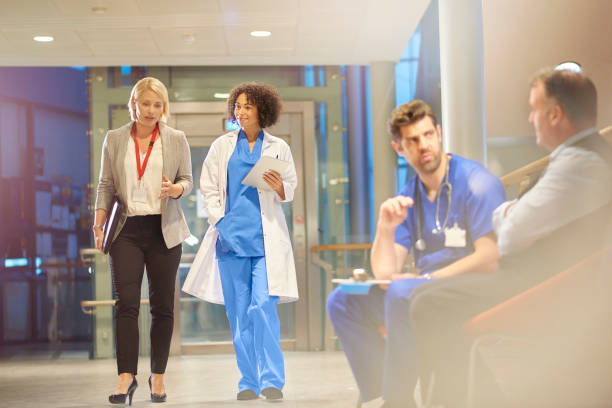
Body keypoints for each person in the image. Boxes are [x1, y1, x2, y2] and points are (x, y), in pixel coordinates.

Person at [408, 68, 612, 407]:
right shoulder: (582, 158)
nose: (530, 118)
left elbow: (511, 235)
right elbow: (515, 219)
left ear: (555, 113)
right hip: (545, 277)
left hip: (543, 285)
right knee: (428, 298)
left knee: (429, 304)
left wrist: (507, 213)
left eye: (534, 109)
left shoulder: (581, 162)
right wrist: (512, 212)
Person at [327, 99, 506, 407]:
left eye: (428, 135)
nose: (424, 145)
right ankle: (383, 393)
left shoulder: (476, 182)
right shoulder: (408, 196)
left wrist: (426, 278)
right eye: (412, 140)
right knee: (343, 302)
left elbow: (489, 258)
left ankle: (394, 402)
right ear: (400, 148)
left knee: (401, 292)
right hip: (416, 292)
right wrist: (385, 227)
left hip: (467, 290)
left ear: (438, 133)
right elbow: (385, 272)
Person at [182, 82, 298, 401]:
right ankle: (248, 381)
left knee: (262, 307)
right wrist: (220, 221)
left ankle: (272, 378)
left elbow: (291, 189)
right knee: (240, 315)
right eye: (238, 106)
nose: (241, 111)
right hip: (230, 239)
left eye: (248, 106)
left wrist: (280, 188)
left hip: (265, 242)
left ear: (262, 110)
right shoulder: (223, 146)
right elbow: (208, 188)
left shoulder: (278, 146)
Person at [94, 77, 193, 405]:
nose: (151, 110)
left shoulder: (176, 138)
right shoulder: (115, 138)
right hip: (125, 230)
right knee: (126, 304)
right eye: (145, 103)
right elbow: (106, 184)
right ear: (133, 104)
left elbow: (187, 180)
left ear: (163, 107)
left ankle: (158, 376)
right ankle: (126, 378)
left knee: (163, 306)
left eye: (157, 104)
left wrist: (176, 190)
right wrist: (98, 224)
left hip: (164, 230)